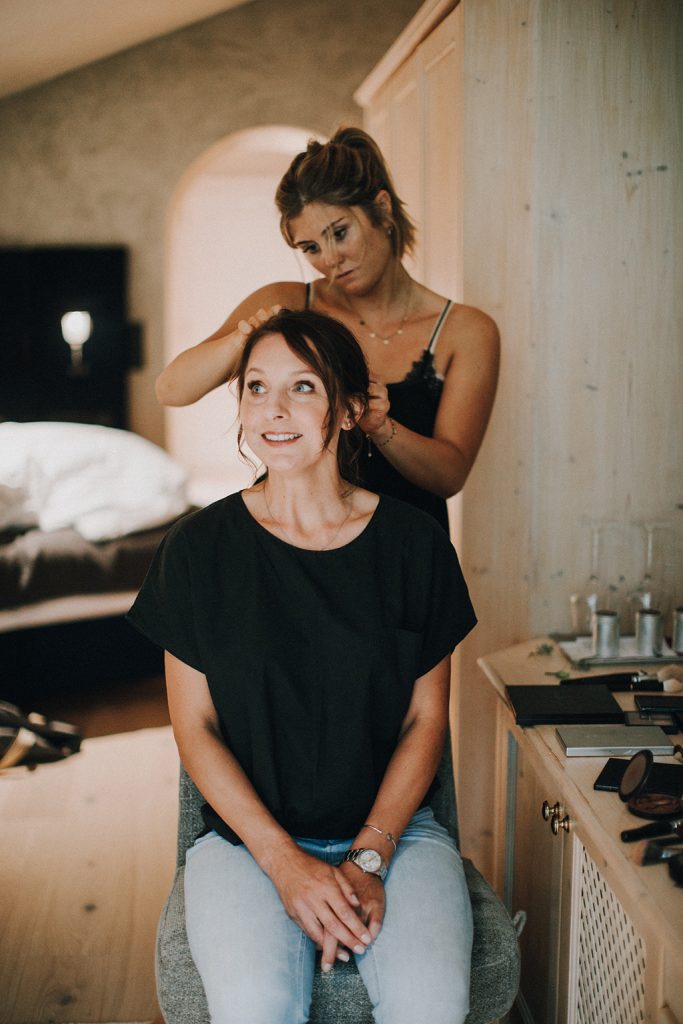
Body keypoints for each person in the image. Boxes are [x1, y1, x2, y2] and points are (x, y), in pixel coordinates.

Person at [129, 309, 477, 1023]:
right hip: (243, 843)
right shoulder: (196, 552)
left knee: (431, 1009)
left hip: (397, 837)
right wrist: (284, 863)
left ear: (351, 409)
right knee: (256, 1009)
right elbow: (194, 729)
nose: (274, 410)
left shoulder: (413, 547)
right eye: (256, 388)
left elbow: (425, 719)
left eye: (303, 387)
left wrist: (369, 858)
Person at [156, 127, 499, 532]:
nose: (331, 259)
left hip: (403, 549)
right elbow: (172, 389)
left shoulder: (466, 332)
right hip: (289, 537)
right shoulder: (288, 301)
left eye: (339, 233)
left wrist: (380, 425)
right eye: (311, 248)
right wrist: (242, 341)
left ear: (382, 209)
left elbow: (448, 476)